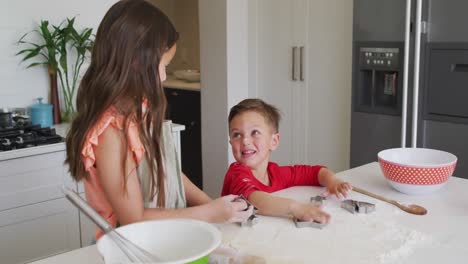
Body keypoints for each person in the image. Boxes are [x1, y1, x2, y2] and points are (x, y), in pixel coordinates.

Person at [65, 0, 252, 240]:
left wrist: (217, 206)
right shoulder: (110, 132)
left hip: (164, 236)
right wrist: (210, 212)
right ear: (135, 61)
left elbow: (168, 172)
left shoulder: (139, 109)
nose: (164, 76)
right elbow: (134, 218)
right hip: (132, 247)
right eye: (163, 65)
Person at [221, 98, 352, 224]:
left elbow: (314, 172)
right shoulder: (237, 173)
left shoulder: (275, 172)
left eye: (254, 132)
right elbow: (255, 200)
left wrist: (333, 181)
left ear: (274, 141)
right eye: (237, 135)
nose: (245, 141)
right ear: (231, 142)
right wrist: (297, 208)